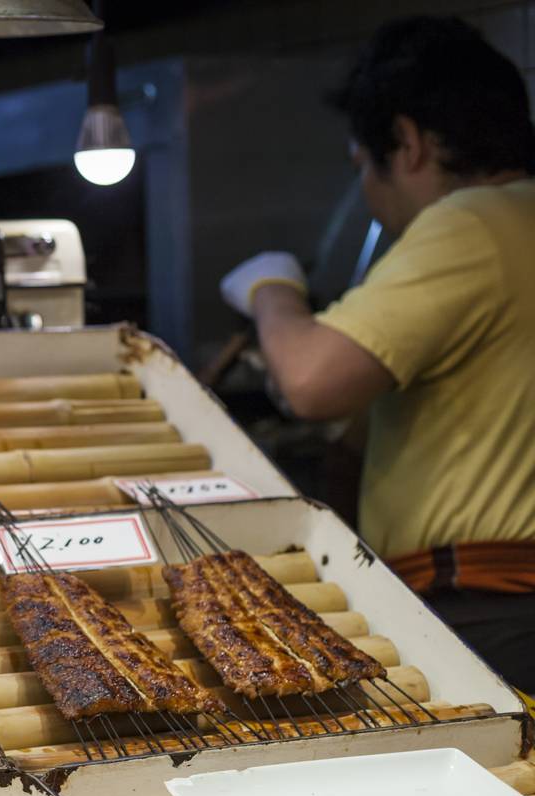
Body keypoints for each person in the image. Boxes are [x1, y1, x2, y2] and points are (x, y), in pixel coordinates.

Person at [218, 16, 535, 691]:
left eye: (363, 164)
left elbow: (309, 381)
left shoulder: (474, 221)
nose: (367, 189)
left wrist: (271, 289)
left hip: (488, 604)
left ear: (410, 142)